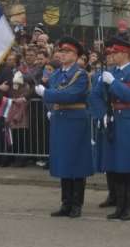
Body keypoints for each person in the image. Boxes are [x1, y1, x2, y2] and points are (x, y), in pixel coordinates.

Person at [36, 37, 93, 217]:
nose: (62, 54)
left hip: (75, 120)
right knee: (63, 161)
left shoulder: (81, 74)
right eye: (61, 51)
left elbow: (70, 95)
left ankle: (77, 204)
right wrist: (50, 106)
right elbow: (54, 95)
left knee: (77, 161)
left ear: (76, 55)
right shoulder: (56, 74)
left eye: (67, 52)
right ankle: (65, 202)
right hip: (60, 119)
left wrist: (47, 93)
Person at [90, 36, 130, 221]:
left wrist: (113, 83)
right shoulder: (109, 72)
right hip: (112, 120)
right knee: (115, 164)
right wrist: (102, 114)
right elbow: (95, 96)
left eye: (114, 53)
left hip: (129, 121)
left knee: (128, 166)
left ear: (124, 53)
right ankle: (119, 205)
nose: (111, 56)